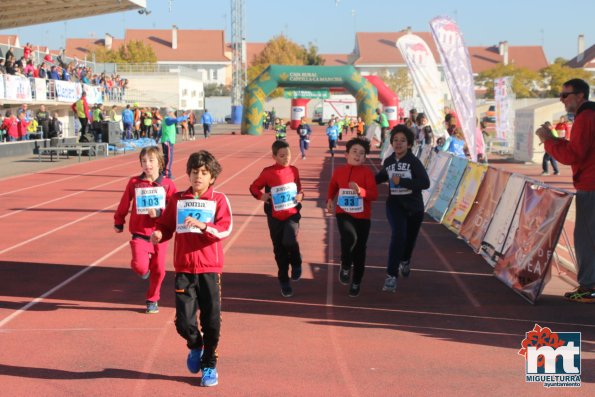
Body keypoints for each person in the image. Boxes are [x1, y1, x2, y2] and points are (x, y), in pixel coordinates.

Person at [151, 150, 232, 386]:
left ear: (212, 177)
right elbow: (165, 225)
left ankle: (209, 365)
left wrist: (204, 226)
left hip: (209, 269)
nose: (198, 176)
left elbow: (224, 229)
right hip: (184, 269)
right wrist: (159, 233)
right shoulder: (178, 200)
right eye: (195, 172)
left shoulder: (218, 200)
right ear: (188, 174)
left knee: (212, 321)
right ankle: (196, 345)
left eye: (204, 173)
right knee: (184, 322)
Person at [536, 78, 595, 303]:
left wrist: (549, 140)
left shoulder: (586, 117)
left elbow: (573, 154)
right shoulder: (588, 116)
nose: (561, 100)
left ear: (580, 95)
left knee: (586, 238)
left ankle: (589, 287)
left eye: (565, 95)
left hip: (591, 185)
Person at [114, 146, 177, 314]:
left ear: (160, 163)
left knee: (159, 270)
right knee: (140, 266)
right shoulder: (135, 183)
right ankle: (144, 269)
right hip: (140, 232)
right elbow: (124, 203)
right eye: (143, 161)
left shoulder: (168, 185)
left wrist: (159, 213)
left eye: (151, 160)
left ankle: (152, 299)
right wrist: (119, 221)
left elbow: (174, 208)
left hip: (159, 233)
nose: (147, 164)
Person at [375, 125, 430, 293]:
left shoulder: (414, 162)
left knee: (409, 240)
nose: (398, 144)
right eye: (395, 140)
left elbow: (425, 183)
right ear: (391, 143)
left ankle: (405, 260)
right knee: (398, 235)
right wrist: (362, 182)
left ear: (409, 144)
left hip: (414, 207)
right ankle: (391, 276)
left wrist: (403, 182)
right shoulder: (389, 161)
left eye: (402, 141)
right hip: (395, 205)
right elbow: (380, 177)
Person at [249, 140, 304, 298]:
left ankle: (296, 262)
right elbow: (253, 187)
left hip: (292, 213)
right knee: (279, 250)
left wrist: (301, 195)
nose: (286, 158)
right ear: (274, 156)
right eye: (282, 156)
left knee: (290, 240)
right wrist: (261, 196)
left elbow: (299, 189)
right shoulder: (267, 172)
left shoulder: (294, 170)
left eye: (288, 154)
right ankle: (284, 280)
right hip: (275, 216)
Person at [326, 138, 378, 297]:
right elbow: (333, 185)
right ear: (346, 154)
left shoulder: (367, 173)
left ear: (365, 158)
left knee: (360, 249)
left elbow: (374, 195)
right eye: (355, 152)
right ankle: (346, 265)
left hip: (362, 216)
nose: (358, 155)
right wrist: (329, 199)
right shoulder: (339, 171)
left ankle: (356, 281)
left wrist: (360, 191)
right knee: (349, 238)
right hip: (344, 213)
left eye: (362, 153)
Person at [161, 108, 188, 179]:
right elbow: (177, 120)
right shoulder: (168, 119)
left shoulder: (166, 120)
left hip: (167, 140)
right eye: (173, 113)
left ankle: (164, 172)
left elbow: (161, 130)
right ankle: (166, 173)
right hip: (168, 141)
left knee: (167, 157)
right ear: (169, 113)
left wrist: (157, 137)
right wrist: (186, 116)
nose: (174, 115)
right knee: (169, 158)